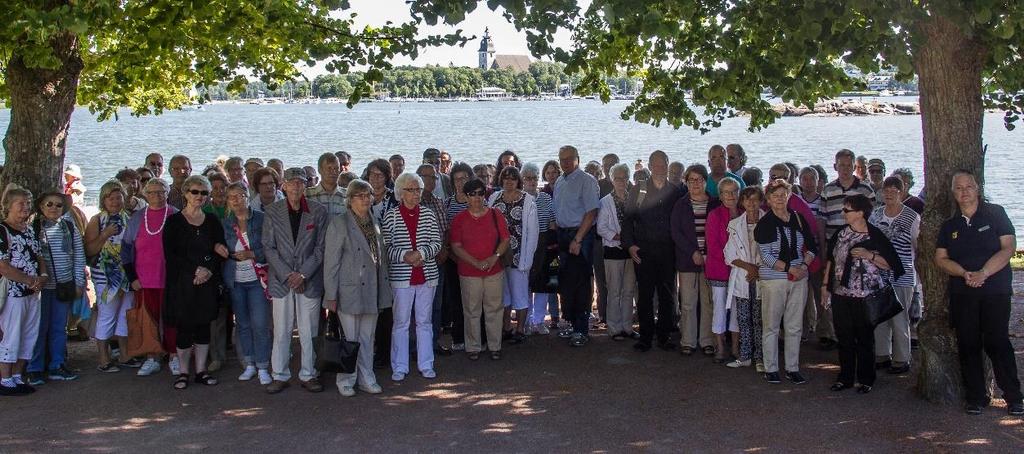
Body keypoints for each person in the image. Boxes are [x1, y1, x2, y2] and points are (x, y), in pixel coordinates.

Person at [935, 170, 1023, 416]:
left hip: (995, 290)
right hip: (963, 293)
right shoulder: (949, 225)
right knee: (968, 344)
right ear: (953, 193)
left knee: (997, 342)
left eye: (968, 187)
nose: (964, 192)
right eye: (959, 188)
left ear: (977, 188)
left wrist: (984, 273)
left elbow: (1009, 248)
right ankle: (976, 397)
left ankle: (1014, 397)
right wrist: (963, 273)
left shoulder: (996, 214)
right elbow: (940, 258)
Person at [822, 194, 902, 394]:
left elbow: (892, 264)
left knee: (865, 337)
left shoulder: (875, 236)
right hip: (841, 293)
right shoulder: (840, 233)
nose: (843, 213)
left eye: (846, 210)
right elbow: (831, 261)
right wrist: (825, 286)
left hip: (865, 295)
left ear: (860, 213)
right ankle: (845, 377)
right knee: (844, 336)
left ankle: (866, 378)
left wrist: (870, 255)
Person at [263, 168, 328, 394]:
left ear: (305, 186)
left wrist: (302, 274)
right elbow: (269, 248)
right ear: (284, 185)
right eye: (292, 183)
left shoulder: (319, 211)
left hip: (308, 280)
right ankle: (279, 374)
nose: (296, 187)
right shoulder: (272, 211)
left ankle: (308, 374)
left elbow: (320, 248)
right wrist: (288, 275)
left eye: (300, 183)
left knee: (309, 330)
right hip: (282, 281)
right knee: (281, 330)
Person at [323, 180, 391, 396]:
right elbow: (331, 263)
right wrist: (331, 296)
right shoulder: (339, 223)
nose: (365, 199)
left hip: (372, 289)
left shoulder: (374, 221)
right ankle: (345, 379)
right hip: (349, 290)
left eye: (368, 194)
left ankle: (366, 377)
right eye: (360, 195)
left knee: (367, 337)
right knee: (350, 338)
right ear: (349, 199)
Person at [164, 175, 226, 389]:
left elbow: (220, 249)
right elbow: (170, 255)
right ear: (185, 193)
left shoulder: (212, 221)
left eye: (204, 193)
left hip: (207, 282)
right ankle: (183, 372)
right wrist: (195, 270)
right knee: (184, 328)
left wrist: (208, 269)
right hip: (183, 283)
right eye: (195, 192)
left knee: (203, 328)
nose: (199, 196)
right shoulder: (173, 222)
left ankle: (201, 370)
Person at [755, 179, 817, 385]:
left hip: (799, 278)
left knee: (794, 325)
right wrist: (789, 268)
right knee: (771, 325)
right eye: (775, 196)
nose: (780, 199)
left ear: (789, 196)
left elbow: (811, 247)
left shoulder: (798, 219)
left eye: (783, 195)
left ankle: (792, 367)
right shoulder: (765, 223)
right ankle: (771, 368)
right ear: (769, 200)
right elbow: (765, 255)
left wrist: (804, 268)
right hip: (775, 280)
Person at [383, 172, 442, 380]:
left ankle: (426, 364)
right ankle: (400, 366)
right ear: (401, 193)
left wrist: (421, 254)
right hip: (401, 278)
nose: (416, 193)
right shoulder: (391, 215)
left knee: (425, 322)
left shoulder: (428, 214)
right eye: (411, 190)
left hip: (427, 276)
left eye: (418, 189)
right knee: (401, 322)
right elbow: (386, 247)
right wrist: (405, 256)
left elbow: (437, 243)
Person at [22, 190, 83, 385]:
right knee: (39, 327)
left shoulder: (69, 227)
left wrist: (79, 282)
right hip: (41, 287)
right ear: (41, 207)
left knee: (59, 327)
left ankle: (57, 364)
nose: (54, 208)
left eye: (58, 205)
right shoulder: (34, 228)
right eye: (49, 204)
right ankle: (34, 367)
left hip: (64, 284)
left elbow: (78, 255)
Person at [625, 151, 683, 351]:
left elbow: (681, 222)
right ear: (649, 166)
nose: (660, 168)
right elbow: (627, 221)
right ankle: (645, 337)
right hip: (644, 252)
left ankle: (664, 335)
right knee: (645, 296)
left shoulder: (676, 191)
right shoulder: (638, 190)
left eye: (663, 164)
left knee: (667, 295)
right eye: (656, 164)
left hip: (668, 252)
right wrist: (630, 245)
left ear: (668, 165)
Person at [122, 178, 180, 377]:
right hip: (144, 279)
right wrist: (132, 277)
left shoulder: (175, 215)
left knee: (172, 319)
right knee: (148, 319)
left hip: (170, 279)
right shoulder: (137, 218)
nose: (157, 196)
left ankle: (174, 355)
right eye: (152, 192)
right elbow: (127, 248)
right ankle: (152, 357)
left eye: (161, 191)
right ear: (145, 195)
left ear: (168, 193)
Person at [819, 149, 875, 349]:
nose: (844, 169)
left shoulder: (866, 189)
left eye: (848, 165)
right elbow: (822, 221)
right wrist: (824, 248)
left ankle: (862, 335)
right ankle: (835, 335)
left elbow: (873, 220)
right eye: (841, 165)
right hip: (835, 248)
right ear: (835, 166)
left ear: (854, 167)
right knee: (835, 290)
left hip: (861, 250)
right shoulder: (827, 190)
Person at [450, 178, 510, 360]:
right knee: (471, 310)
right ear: (466, 196)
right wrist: (475, 263)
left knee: (494, 308)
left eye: (480, 193)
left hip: (494, 270)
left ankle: (495, 346)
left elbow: (505, 239)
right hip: (469, 272)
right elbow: (455, 245)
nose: (477, 197)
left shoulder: (495, 214)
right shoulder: (459, 219)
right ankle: (473, 347)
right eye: (472, 194)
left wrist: (494, 257)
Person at [85, 180, 139, 373]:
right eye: (111, 198)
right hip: (105, 277)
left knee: (125, 316)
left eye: (118, 197)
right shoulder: (97, 220)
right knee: (107, 315)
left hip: (127, 275)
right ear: (104, 200)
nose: (115, 201)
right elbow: (89, 249)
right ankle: (103, 358)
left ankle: (125, 354)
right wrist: (105, 234)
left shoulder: (130, 218)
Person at [221, 182, 272, 386]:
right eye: (231, 197)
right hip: (235, 280)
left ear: (247, 197)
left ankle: (262, 365)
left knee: (260, 324)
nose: (235, 200)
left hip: (257, 280)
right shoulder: (226, 223)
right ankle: (249, 363)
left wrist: (252, 254)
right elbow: (221, 246)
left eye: (239, 195)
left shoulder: (261, 219)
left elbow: (270, 246)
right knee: (242, 324)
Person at [869, 177, 919, 375]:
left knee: (900, 317)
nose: (889, 194)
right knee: (880, 316)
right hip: (879, 275)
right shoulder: (875, 214)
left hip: (903, 274)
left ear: (901, 191)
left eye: (893, 190)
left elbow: (916, 245)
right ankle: (882, 354)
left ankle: (902, 358)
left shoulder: (912, 217)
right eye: (886, 190)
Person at [552, 145, 601, 347]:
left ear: (577, 159)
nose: (564, 162)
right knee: (566, 283)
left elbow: (592, 212)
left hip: (580, 235)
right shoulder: (560, 182)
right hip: (563, 235)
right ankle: (571, 324)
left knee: (581, 283)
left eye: (569, 158)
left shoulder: (586, 181)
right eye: (561, 159)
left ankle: (581, 329)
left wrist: (578, 239)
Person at [0, 184, 46, 396]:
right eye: (21, 204)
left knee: (29, 334)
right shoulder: (3, 231)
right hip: (13, 293)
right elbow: (3, 265)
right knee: (12, 334)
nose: (25, 207)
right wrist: (28, 280)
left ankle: (18, 375)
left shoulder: (29, 229)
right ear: (8, 206)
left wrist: (42, 277)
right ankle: (5, 378)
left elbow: (39, 256)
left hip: (32, 291)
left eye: (28, 203)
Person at [672, 164, 721, 355]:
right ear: (686, 182)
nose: (695, 183)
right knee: (688, 302)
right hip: (687, 260)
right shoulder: (681, 204)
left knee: (708, 302)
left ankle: (707, 340)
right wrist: (693, 251)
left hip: (711, 261)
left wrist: (708, 254)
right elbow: (676, 232)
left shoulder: (715, 203)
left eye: (699, 179)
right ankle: (688, 340)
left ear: (705, 181)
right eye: (691, 180)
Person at [488, 166, 539, 344]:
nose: (509, 181)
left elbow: (533, 232)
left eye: (513, 178)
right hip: (499, 254)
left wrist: (528, 258)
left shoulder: (527, 200)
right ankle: (506, 327)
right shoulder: (494, 198)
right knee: (503, 293)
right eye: (505, 178)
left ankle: (520, 329)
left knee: (520, 293)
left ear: (518, 180)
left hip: (519, 254)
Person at [724, 186, 765, 370]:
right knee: (743, 318)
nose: (751, 203)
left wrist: (758, 269)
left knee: (760, 320)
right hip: (743, 276)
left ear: (761, 201)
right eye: (747, 199)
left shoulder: (769, 222)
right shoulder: (734, 224)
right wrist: (749, 267)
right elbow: (729, 254)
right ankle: (746, 355)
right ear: (742, 202)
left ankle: (760, 357)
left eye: (755, 199)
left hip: (763, 277)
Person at [597, 163, 637, 341]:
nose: (621, 181)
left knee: (629, 291)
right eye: (618, 178)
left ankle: (627, 327)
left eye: (624, 177)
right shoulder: (605, 202)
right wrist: (620, 237)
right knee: (614, 291)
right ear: (612, 180)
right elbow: (601, 228)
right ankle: (614, 328)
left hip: (631, 252)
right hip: (613, 252)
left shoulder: (633, 199)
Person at [705, 177, 742, 363]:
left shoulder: (745, 213)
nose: (731, 195)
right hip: (720, 268)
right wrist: (733, 261)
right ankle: (720, 346)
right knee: (719, 308)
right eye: (726, 192)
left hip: (742, 271)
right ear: (720, 196)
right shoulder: (715, 215)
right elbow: (713, 245)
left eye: (734, 191)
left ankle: (735, 346)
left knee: (737, 308)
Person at [417, 164, 451, 355]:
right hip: (420, 261)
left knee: (436, 304)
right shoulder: (412, 203)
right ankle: (417, 345)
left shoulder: (439, 201)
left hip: (439, 260)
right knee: (419, 306)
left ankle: (433, 342)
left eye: (433, 178)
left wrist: (444, 249)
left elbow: (446, 229)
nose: (430, 181)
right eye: (426, 177)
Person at [444, 162, 475, 351]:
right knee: (456, 299)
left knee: (474, 300)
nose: (460, 182)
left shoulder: (478, 202)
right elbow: (445, 233)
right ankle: (458, 338)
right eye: (457, 179)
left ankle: (476, 336)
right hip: (453, 260)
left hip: (474, 260)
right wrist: (454, 255)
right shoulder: (447, 203)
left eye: (464, 178)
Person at [521, 163, 556, 335]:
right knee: (525, 283)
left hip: (543, 244)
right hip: (524, 244)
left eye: (534, 178)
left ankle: (539, 321)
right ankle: (526, 321)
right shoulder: (519, 199)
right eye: (528, 178)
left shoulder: (546, 198)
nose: (532, 181)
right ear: (522, 180)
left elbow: (552, 222)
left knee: (542, 284)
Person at [364, 159, 399, 224]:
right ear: (368, 175)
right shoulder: (362, 196)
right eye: (373, 173)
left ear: (386, 177)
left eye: (380, 175)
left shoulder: (395, 197)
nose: (376, 177)